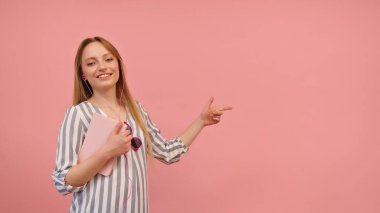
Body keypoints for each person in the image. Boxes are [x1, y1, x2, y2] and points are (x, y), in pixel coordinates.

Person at [51, 36, 232, 213]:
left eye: (108, 59)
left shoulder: (136, 111)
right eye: (91, 63)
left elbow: (168, 152)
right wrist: (107, 152)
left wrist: (201, 121)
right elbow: (62, 182)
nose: (102, 67)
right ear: (83, 74)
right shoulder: (78, 114)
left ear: (118, 65)